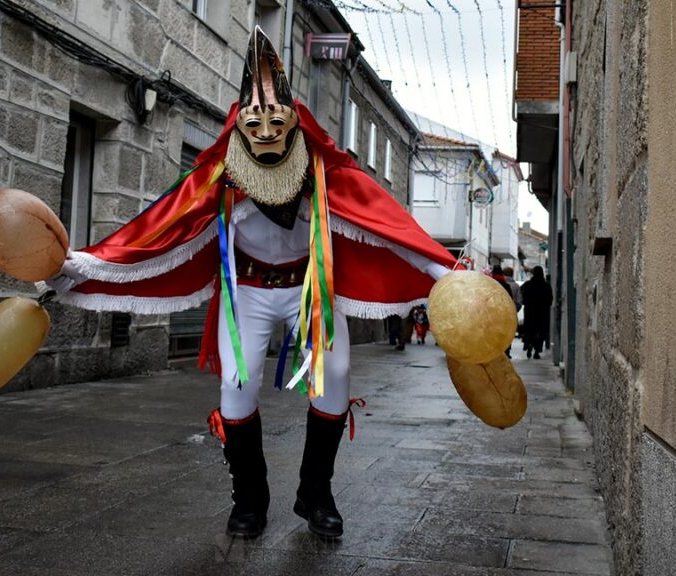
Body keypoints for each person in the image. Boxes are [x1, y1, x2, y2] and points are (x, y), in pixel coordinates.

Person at [45, 28, 456, 540]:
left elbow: (386, 222)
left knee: (337, 375)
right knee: (236, 385)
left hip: (311, 291)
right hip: (248, 291)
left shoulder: (323, 170)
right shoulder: (220, 172)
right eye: (254, 120)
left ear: (292, 121)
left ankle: (316, 494)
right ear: (240, 122)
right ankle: (249, 501)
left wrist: (448, 273)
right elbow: (154, 230)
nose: (264, 130)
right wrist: (81, 266)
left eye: (274, 119)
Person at [521, 266, 553, 359]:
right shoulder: (546, 286)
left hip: (530, 312)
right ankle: (537, 351)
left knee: (530, 330)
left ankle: (529, 346)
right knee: (540, 331)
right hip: (542, 313)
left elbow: (523, 298)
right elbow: (550, 300)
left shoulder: (527, 285)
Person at [490, 265, 515, 357]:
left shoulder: (489, 284)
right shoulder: (506, 285)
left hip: (491, 313)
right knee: (504, 332)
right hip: (503, 312)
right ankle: (506, 350)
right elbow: (510, 300)